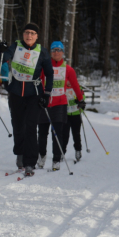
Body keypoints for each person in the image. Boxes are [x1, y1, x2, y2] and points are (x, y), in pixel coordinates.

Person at [0, 23, 53, 176]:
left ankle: (30, 162)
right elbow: (2, 59)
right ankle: (20, 153)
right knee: (17, 126)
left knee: (31, 127)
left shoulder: (42, 51)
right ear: (23, 35)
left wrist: (47, 94)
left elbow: (49, 74)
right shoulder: (15, 47)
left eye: (32, 33)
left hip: (34, 93)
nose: (29, 35)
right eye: (26, 32)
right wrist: (1, 51)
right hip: (16, 92)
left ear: (37, 36)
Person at [37, 41, 84, 170]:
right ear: (50, 52)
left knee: (57, 133)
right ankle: (41, 156)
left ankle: (56, 160)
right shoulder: (44, 67)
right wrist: (40, 96)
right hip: (45, 104)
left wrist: (80, 99)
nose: (56, 52)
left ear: (63, 52)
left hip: (60, 104)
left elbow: (75, 85)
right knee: (42, 133)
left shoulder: (68, 69)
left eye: (58, 50)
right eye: (53, 50)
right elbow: (39, 81)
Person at [61, 59, 87, 163]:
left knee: (76, 134)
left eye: (69, 79)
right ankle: (62, 152)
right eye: (66, 79)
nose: (68, 81)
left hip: (76, 114)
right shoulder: (62, 87)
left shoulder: (77, 87)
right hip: (66, 114)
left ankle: (78, 150)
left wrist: (80, 101)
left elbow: (82, 97)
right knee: (64, 135)